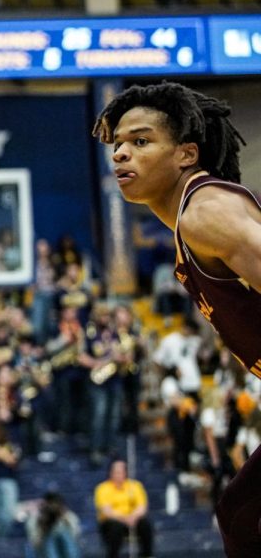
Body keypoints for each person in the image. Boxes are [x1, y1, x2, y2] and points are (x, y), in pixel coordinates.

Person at [92, 82, 261, 557]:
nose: (122, 153)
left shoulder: (206, 214)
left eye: (141, 142)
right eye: (119, 144)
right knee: (240, 514)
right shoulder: (195, 217)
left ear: (186, 153)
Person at [93, 459, 154, 558]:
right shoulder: (102, 488)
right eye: (115, 472)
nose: (118, 474)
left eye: (120, 472)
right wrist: (124, 518)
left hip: (132, 520)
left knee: (145, 524)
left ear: (125, 473)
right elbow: (106, 510)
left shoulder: (135, 486)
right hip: (112, 523)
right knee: (115, 527)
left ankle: (147, 555)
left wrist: (133, 517)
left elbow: (142, 507)